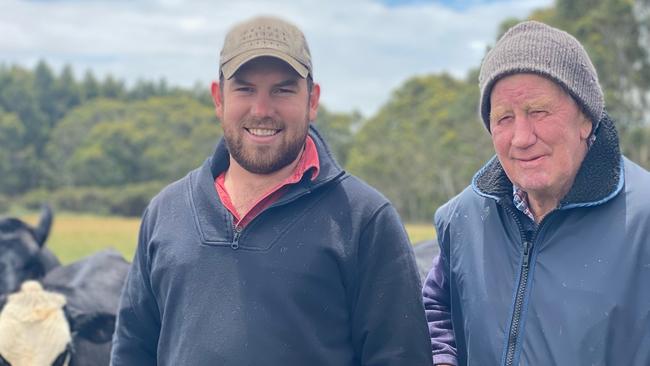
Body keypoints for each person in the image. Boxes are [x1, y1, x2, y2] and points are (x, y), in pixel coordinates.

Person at [111, 15, 432, 365]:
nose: (262, 110)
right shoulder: (166, 212)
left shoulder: (365, 220)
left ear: (312, 100)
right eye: (245, 89)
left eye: (283, 89)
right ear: (219, 98)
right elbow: (132, 349)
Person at [422, 20, 650, 366]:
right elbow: (438, 308)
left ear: (586, 118)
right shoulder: (461, 219)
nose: (521, 138)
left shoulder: (643, 220)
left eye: (538, 112)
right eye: (504, 118)